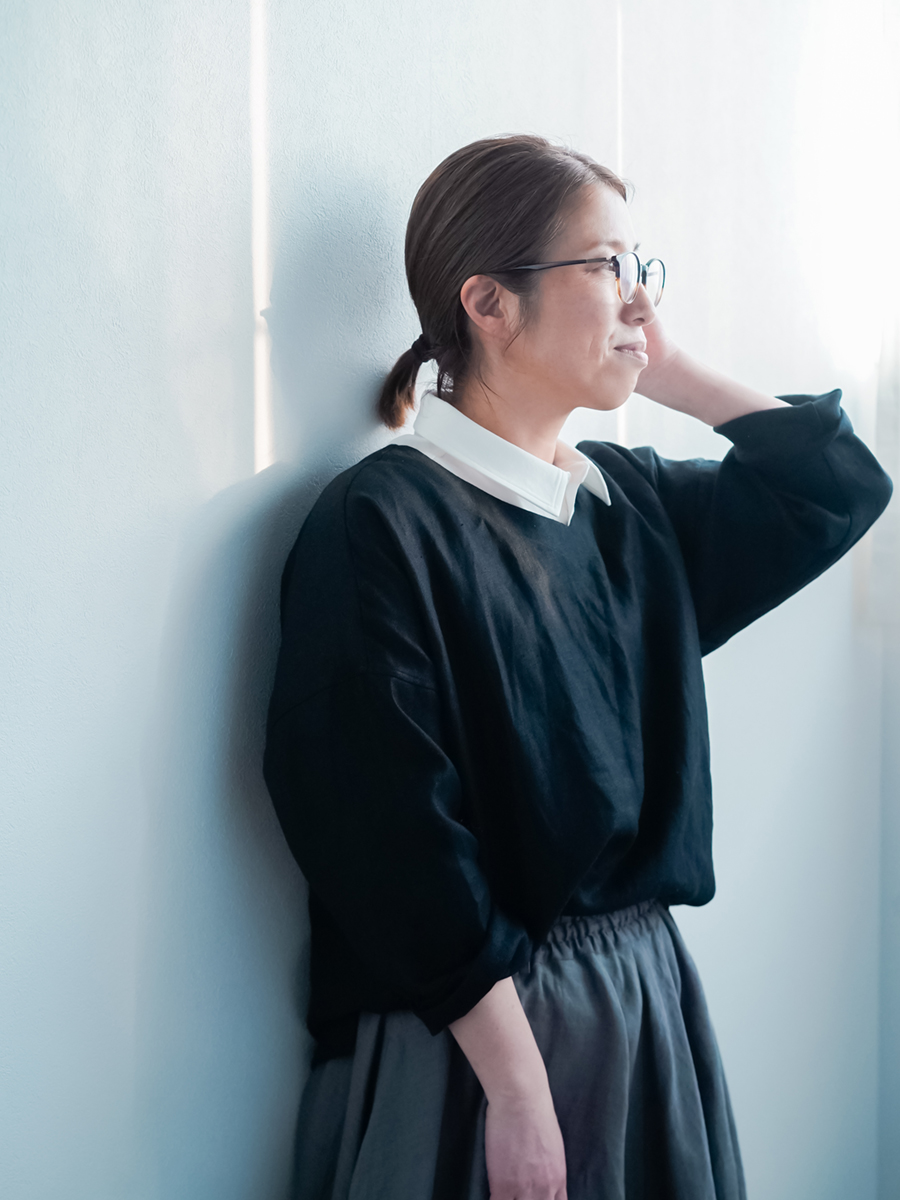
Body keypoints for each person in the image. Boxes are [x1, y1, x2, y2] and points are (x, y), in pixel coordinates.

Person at [263, 135, 892, 1200]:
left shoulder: (624, 502)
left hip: (644, 1005)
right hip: (476, 1042)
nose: (639, 298)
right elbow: (386, 835)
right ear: (489, 303)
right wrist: (517, 1089)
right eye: (607, 266)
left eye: (641, 265)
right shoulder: (381, 523)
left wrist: (673, 374)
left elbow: (836, 488)